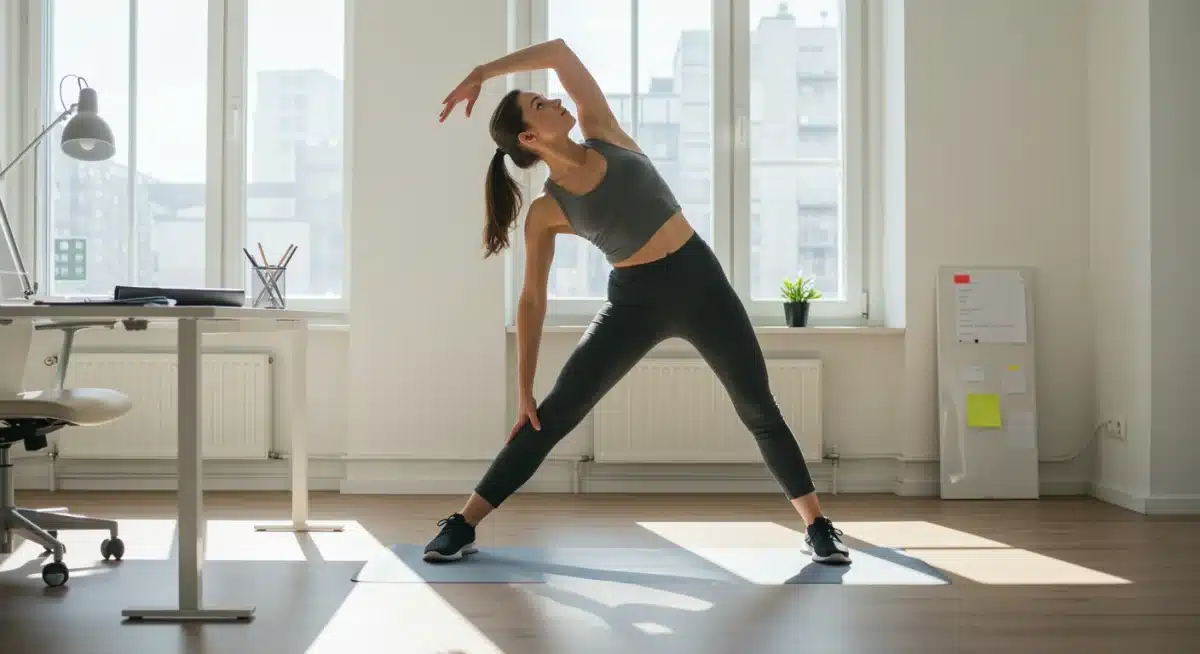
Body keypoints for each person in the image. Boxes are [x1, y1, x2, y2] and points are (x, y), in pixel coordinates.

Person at [425, 38, 850, 566]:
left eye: (548, 96)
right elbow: (532, 300)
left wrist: (483, 68)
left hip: (701, 281)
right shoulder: (546, 211)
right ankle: (463, 523)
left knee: (757, 405)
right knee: (550, 416)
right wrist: (523, 389)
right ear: (531, 137)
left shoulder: (603, 131)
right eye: (540, 105)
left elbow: (558, 51)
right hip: (634, 302)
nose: (556, 100)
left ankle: (817, 527)